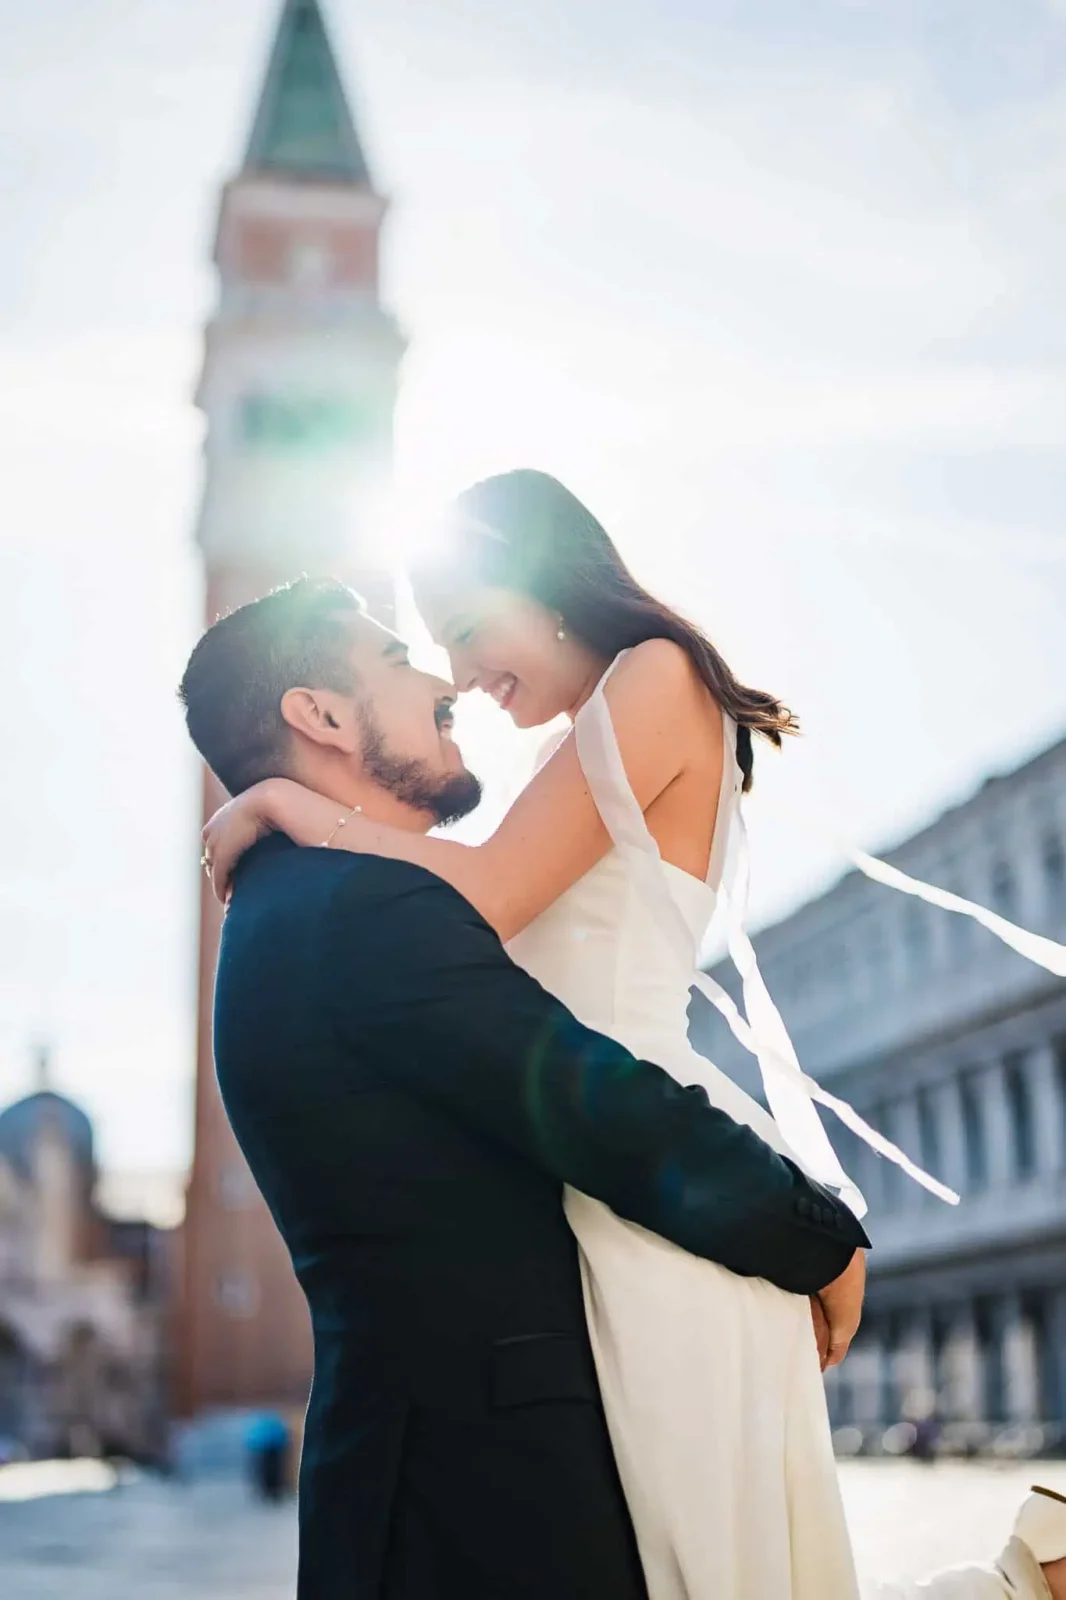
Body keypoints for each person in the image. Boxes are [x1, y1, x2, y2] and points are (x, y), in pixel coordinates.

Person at [204, 473, 1066, 1600]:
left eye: (466, 633)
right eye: (433, 650)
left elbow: (485, 898)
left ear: (551, 583)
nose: (458, 678)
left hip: (657, 1198)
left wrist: (283, 807)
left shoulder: (652, 681)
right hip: (615, 1201)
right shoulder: (582, 736)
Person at [181, 578, 868, 1600]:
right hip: (482, 1509)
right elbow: (600, 1109)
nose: (440, 675)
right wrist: (820, 1235)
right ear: (318, 713)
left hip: (423, 1490)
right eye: (396, 655)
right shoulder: (362, 911)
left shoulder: (296, 902)